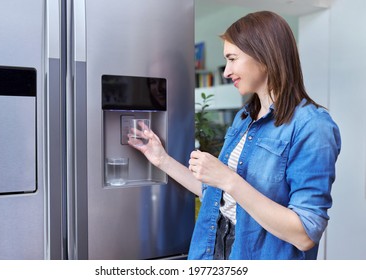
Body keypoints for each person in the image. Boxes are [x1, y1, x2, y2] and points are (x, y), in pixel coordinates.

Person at [128, 11, 341, 260]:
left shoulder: (313, 126)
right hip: (214, 251)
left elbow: (305, 234)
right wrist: (161, 159)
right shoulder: (244, 118)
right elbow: (216, 194)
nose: (227, 72)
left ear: (264, 56)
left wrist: (229, 179)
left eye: (232, 59)